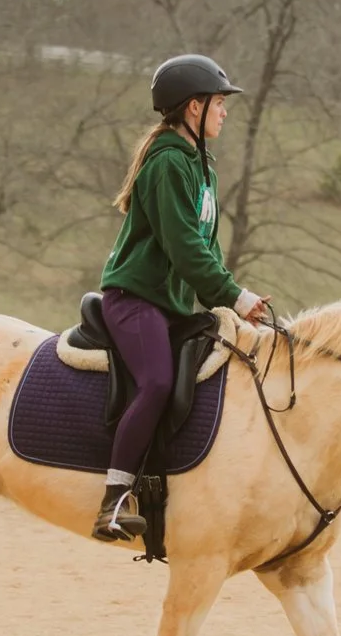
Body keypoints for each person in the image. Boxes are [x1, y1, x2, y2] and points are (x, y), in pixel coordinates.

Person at [91, 54, 272, 542]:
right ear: (194, 107)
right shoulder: (170, 161)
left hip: (170, 304)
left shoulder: (200, 164)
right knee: (155, 382)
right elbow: (183, 245)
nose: (225, 112)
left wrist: (231, 301)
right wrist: (233, 295)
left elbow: (206, 245)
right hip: (134, 298)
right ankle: (114, 499)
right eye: (219, 103)